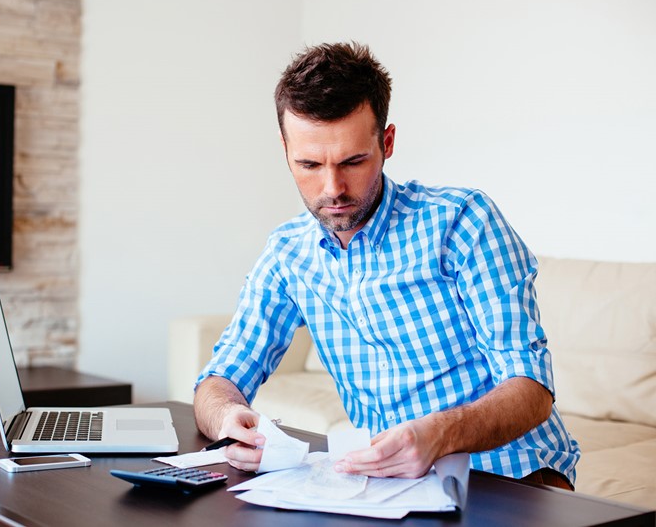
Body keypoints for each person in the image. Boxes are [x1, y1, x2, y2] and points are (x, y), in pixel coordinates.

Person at [193, 41, 580, 489]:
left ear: (387, 142)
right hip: (386, 485)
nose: (332, 187)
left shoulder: (462, 221)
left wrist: (439, 434)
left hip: (514, 473)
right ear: (284, 149)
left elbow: (531, 388)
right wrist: (226, 416)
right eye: (309, 164)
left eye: (353, 161)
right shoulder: (288, 254)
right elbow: (218, 379)